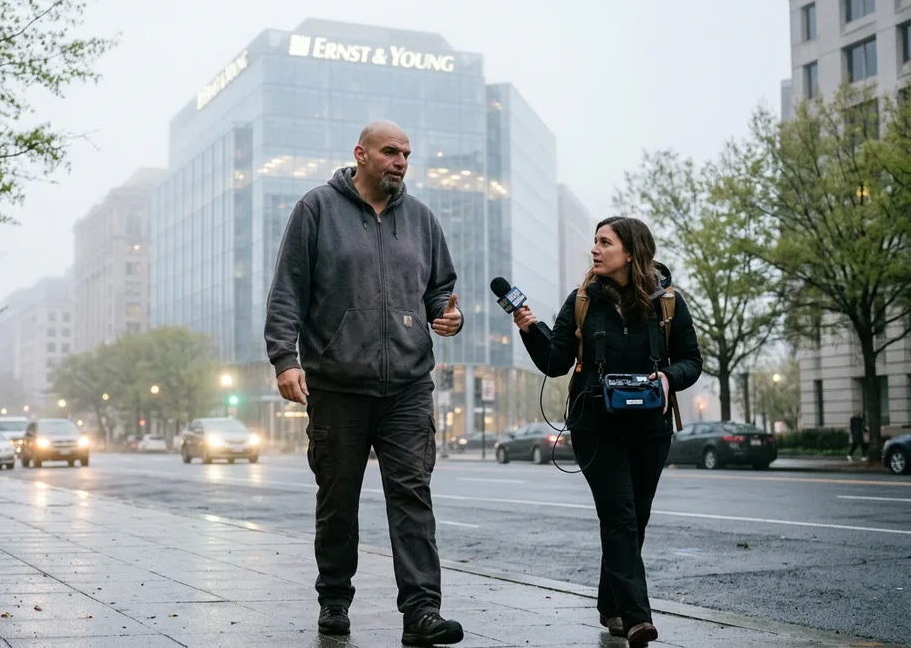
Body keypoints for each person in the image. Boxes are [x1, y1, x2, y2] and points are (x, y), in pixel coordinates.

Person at [264, 120, 465, 646]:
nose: (401, 161)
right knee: (337, 500)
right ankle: (334, 600)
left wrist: (450, 317)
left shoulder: (421, 219)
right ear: (361, 154)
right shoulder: (316, 209)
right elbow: (287, 289)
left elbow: (441, 290)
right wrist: (285, 359)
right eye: (391, 152)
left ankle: (422, 611)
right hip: (337, 386)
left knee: (412, 498)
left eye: (407, 153)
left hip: (407, 386)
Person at [512, 217, 702, 647]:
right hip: (595, 427)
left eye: (604, 242)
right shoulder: (581, 301)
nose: (594, 250)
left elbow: (692, 360)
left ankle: (611, 605)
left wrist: (669, 378)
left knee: (635, 518)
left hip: (650, 428)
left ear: (631, 252)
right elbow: (555, 363)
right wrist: (529, 328)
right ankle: (636, 618)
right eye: (594, 242)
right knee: (619, 515)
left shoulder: (667, 303)